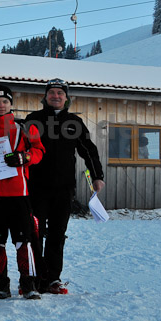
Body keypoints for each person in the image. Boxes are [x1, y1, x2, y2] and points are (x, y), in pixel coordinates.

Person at [25, 78, 104, 295]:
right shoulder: (34, 119)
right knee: (35, 233)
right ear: (46, 96)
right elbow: (20, 146)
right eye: (52, 93)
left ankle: (52, 278)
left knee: (57, 234)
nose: (56, 96)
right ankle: (33, 278)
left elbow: (88, 150)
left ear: (66, 97)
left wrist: (97, 176)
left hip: (63, 188)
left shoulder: (74, 122)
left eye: (60, 93)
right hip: (37, 187)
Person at [0, 85, 45, 300]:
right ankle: (2, 284)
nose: (1, 105)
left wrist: (25, 158)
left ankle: (28, 283)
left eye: (5, 101)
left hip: (18, 193)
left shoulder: (24, 127)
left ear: (11, 104)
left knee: (23, 241)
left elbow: (39, 151)